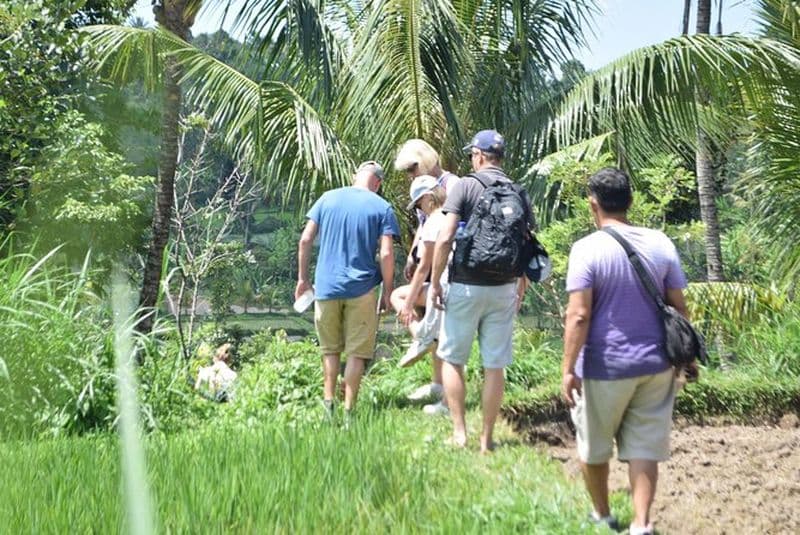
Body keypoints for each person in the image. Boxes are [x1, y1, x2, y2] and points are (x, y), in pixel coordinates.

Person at [561, 167, 692, 535]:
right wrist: (687, 358)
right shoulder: (660, 243)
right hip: (656, 365)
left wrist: (568, 368)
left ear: (593, 204)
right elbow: (679, 309)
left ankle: (603, 517)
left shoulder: (586, 249)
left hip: (605, 366)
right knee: (645, 449)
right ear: (630, 202)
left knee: (594, 448)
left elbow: (579, 314)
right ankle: (642, 524)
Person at [430, 130, 532, 453]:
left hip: (466, 284)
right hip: (503, 287)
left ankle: (460, 433)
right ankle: (487, 440)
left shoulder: (465, 185)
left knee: (452, 358)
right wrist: (521, 281)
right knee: (494, 365)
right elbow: (526, 241)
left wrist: (435, 282)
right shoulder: (518, 190)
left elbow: (446, 237)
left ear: (478, 155)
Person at [295, 161, 400, 420]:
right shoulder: (381, 207)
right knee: (357, 353)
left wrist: (302, 279)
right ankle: (350, 412)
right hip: (362, 290)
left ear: (356, 177)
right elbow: (386, 253)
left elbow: (306, 239)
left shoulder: (327, 199)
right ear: (378, 184)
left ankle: (328, 406)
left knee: (329, 351)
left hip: (326, 288)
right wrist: (389, 290)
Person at [393, 139, 459, 404]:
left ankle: (422, 341)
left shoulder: (450, 185)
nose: (410, 175)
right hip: (429, 260)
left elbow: (447, 225)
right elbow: (423, 226)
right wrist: (412, 254)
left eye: (412, 169)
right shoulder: (425, 199)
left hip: (442, 265)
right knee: (434, 325)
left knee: (438, 328)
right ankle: (437, 383)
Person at [390, 175, 449, 416]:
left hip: (440, 284)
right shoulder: (452, 216)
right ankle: (441, 391)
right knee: (448, 344)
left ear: (428, 198)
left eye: (418, 203)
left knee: (398, 296)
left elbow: (425, 265)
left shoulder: (434, 221)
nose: (418, 209)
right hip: (458, 285)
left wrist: (410, 303)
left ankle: (421, 337)